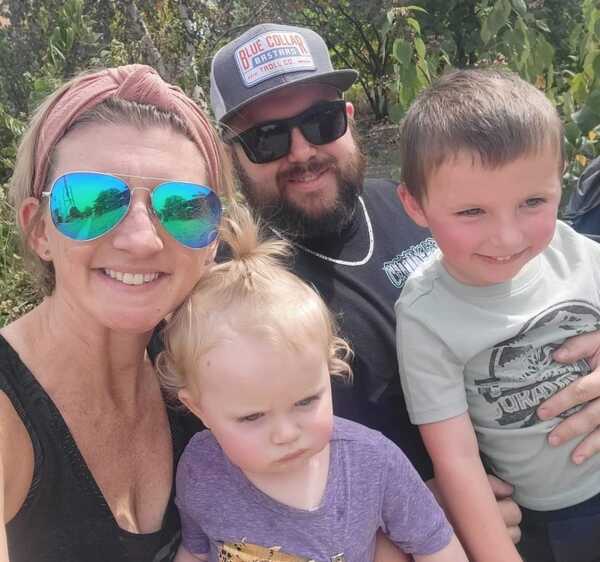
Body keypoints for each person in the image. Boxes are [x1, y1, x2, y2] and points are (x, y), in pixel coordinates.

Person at [209, 22, 600, 548]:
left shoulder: (431, 195)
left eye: (321, 121)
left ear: (348, 119)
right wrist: (403, 512)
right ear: (231, 156)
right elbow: (235, 475)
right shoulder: (234, 291)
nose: (301, 152)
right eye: (267, 138)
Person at [0, 64, 236, 562]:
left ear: (212, 242)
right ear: (39, 230)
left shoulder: (206, 371)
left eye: (183, 207)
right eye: (90, 203)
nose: (141, 239)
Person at [156, 208, 467, 562]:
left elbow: (434, 545)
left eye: (305, 401)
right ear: (198, 408)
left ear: (329, 368)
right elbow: (195, 550)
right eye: (252, 417)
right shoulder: (200, 468)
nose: (286, 433)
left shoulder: (372, 463)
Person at [395, 68, 600, 562]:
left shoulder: (578, 253)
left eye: (533, 202)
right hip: (550, 521)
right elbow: (458, 462)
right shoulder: (426, 316)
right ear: (415, 205)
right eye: (471, 212)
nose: (507, 237)